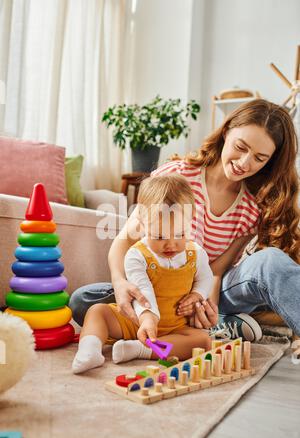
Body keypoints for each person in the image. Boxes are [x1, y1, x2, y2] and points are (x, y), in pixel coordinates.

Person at [70, 99, 300, 341]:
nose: (244, 163)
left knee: (271, 261)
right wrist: (119, 282)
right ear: (226, 131)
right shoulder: (176, 175)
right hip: (158, 288)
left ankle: (211, 322)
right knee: (83, 300)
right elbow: (125, 241)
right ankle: (219, 326)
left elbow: (216, 271)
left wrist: (202, 302)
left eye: (259, 158)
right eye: (240, 147)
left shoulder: (252, 207)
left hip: (208, 289)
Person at [72, 174, 213, 374]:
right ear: (142, 226)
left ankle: (139, 349)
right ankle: (89, 350)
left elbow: (205, 278)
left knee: (203, 341)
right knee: (97, 312)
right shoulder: (136, 255)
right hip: (137, 320)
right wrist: (147, 319)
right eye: (160, 236)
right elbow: (142, 290)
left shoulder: (196, 253)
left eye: (181, 234)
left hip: (176, 326)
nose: (171, 244)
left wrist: (198, 295)